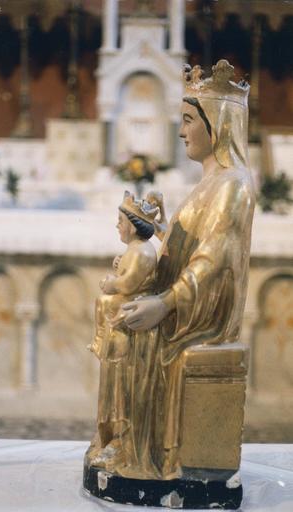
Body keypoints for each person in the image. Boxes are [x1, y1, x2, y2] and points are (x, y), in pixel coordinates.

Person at [120, 60, 256, 478]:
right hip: (189, 301)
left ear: (218, 123)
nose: (180, 132)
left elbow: (213, 260)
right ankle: (132, 450)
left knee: (137, 338)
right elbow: (193, 246)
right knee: (119, 312)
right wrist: (162, 231)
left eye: (187, 121)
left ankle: (146, 457)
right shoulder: (212, 180)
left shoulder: (233, 183)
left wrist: (164, 303)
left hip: (202, 317)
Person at [86, 191, 159, 472]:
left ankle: (122, 440)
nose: (116, 225)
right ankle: (99, 341)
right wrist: (117, 270)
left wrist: (112, 283)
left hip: (133, 314)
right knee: (103, 303)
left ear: (132, 224)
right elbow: (126, 271)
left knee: (121, 388)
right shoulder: (135, 250)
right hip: (123, 313)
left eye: (120, 221)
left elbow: (129, 283)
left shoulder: (142, 251)